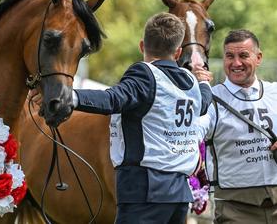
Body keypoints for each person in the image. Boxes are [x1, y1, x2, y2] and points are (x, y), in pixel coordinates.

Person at [30, 12, 213, 224]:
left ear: (142, 46)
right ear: (178, 51)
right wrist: (204, 82)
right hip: (180, 194)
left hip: (144, 190)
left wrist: (67, 97)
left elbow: (112, 99)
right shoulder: (192, 83)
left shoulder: (145, 74)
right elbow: (205, 102)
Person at [199, 29, 277, 224]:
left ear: (258, 58)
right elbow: (191, 133)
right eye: (229, 56)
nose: (236, 63)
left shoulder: (274, 92)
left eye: (243, 55)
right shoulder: (211, 99)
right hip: (235, 209)